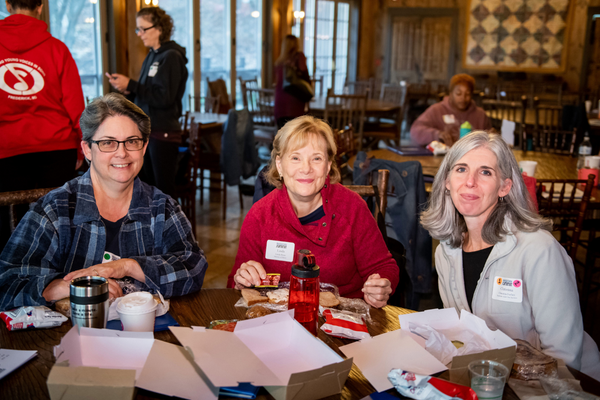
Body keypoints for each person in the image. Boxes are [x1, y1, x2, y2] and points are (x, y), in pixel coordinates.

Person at [0, 93, 207, 311]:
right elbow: (6, 283)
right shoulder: (56, 208)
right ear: (87, 149)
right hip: (66, 340)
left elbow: (194, 268)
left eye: (132, 142)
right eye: (108, 143)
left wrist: (127, 266)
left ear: (144, 147)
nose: (122, 153)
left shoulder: (162, 208)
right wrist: (62, 287)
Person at [420, 130, 600, 376]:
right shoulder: (446, 252)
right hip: (492, 378)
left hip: (556, 386)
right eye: (461, 169)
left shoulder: (539, 250)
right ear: (446, 182)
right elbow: (465, 336)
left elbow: (565, 356)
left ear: (504, 187)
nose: (470, 181)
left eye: (485, 172)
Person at [228, 116, 399, 308]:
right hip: (277, 321)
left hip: (344, 320)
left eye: (316, 158)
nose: (306, 168)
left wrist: (380, 286)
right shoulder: (260, 215)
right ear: (279, 165)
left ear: (327, 166)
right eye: (295, 158)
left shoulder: (352, 208)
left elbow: (384, 267)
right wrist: (241, 280)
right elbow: (235, 283)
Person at [0, 0, 85, 251]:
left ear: (7, 4)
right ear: (41, 5)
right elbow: (77, 108)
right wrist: (81, 149)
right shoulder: (57, 49)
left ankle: (12, 285)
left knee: (8, 232)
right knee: (56, 228)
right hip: (56, 151)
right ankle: (56, 286)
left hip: (6, 152)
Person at [106, 6, 188, 198]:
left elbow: (165, 98)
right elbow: (148, 94)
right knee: (148, 188)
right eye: (137, 29)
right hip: (148, 130)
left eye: (143, 29)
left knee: (163, 191)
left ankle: (168, 227)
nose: (139, 34)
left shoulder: (171, 57)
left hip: (164, 131)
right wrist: (128, 90)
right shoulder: (152, 55)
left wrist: (133, 85)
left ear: (159, 28)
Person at [410, 74, 491, 147]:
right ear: (451, 93)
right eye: (458, 93)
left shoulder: (480, 114)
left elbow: (490, 139)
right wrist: (437, 134)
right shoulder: (437, 110)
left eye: (467, 94)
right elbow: (415, 131)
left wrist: (492, 136)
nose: (463, 98)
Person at [274, 34, 310, 129]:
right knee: (294, 141)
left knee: (283, 140)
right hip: (294, 106)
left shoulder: (279, 62)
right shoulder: (299, 57)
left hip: (279, 106)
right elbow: (306, 78)